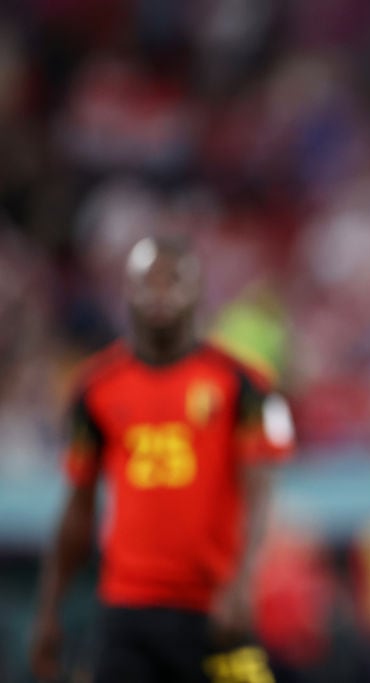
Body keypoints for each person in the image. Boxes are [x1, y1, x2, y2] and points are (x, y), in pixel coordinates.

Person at [30, 235, 295, 683]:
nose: (159, 294)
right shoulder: (95, 388)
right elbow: (77, 508)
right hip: (125, 610)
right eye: (146, 282)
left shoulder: (243, 384)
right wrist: (49, 609)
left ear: (196, 291)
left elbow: (259, 493)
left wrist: (242, 583)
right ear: (126, 291)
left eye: (172, 280)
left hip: (212, 610)